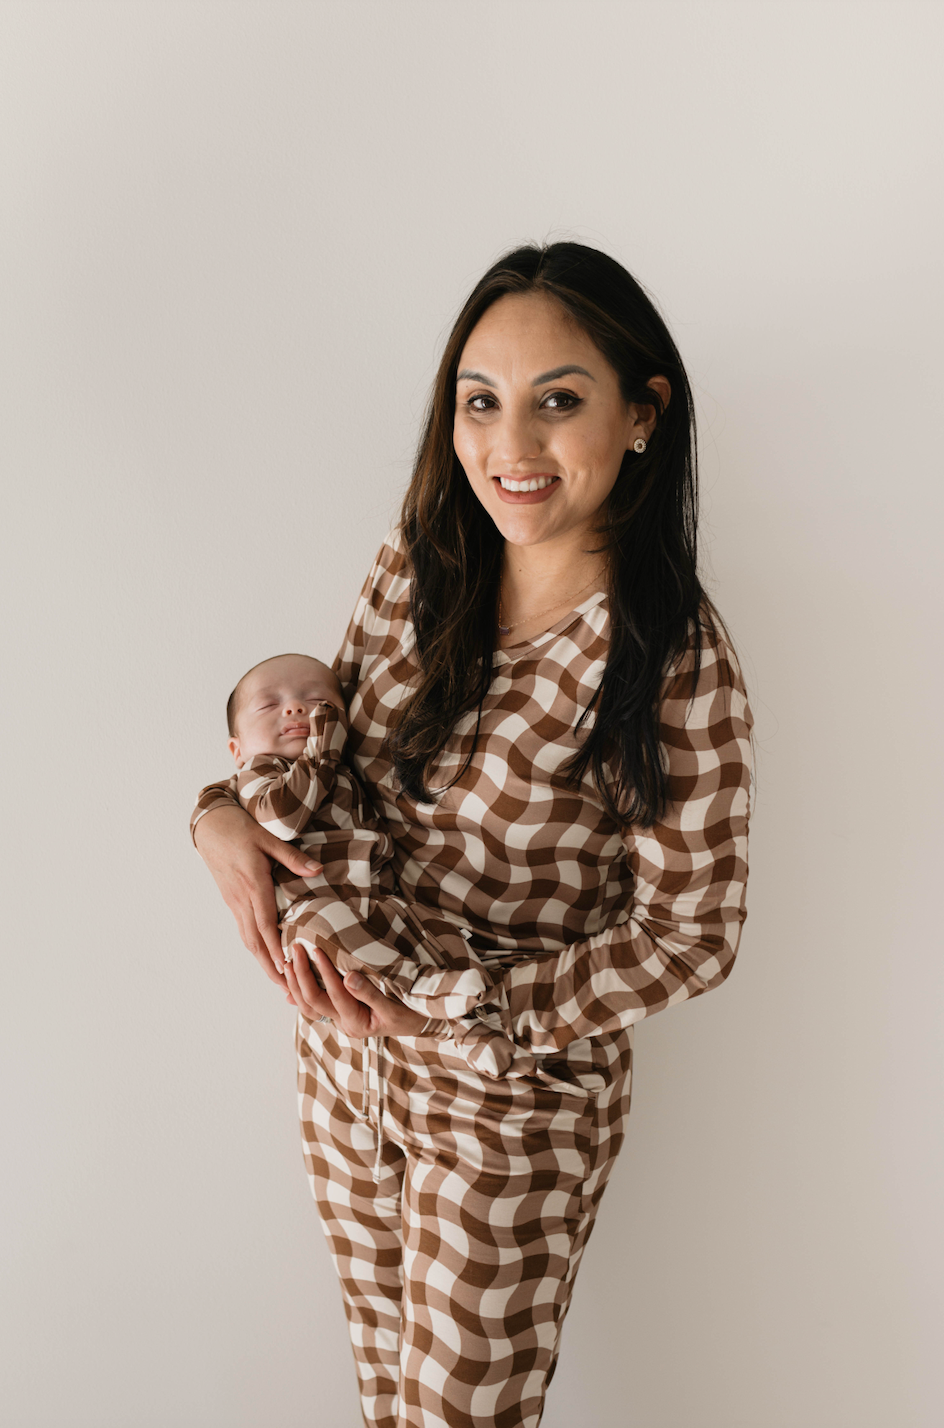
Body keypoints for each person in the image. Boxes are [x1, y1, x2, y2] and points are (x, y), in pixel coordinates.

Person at [192, 241, 753, 1428]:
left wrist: (483, 1017)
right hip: (346, 1072)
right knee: (387, 1404)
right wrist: (218, 813)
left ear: (642, 413)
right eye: (479, 401)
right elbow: (314, 766)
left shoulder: (669, 658)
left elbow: (692, 935)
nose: (511, 446)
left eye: (558, 400)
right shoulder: (415, 564)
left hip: (510, 1107)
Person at [215, 651, 507, 1040]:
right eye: (270, 704)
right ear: (236, 750)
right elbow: (283, 819)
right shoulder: (260, 773)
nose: (297, 708)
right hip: (310, 913)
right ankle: (418, 985)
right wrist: (322, 747)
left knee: (435, 931)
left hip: (372, 901)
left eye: (319, 702)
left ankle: (475, 1026)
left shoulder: (343, 770)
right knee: (328, 923)